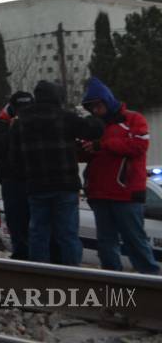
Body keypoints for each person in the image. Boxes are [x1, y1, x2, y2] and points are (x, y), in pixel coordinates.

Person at [9, 80, 104, 265]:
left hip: (36, 187)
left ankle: (41, 277)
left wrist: (27, 175)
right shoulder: (65, 117)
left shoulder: (21, 121)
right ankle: (72, 276)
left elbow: (14, 159)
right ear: (56, 97)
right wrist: (93, 113)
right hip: (65, 186)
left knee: (38, 233)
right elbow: (94, 130)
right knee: (67, 234)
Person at [80, 77, 160, 274]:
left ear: (107, 101)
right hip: (99, 194)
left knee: (135, 241)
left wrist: (102, 145)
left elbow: (139, 145)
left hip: (126, 194)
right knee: (106, 245)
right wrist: (81, 149)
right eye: (91, 107)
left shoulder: (133, 119)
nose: (95, 110)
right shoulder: (93, 126)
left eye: (98, 105)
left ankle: (151, 284)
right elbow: (83, 155)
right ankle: (113, 288)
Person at [0, 91, 35, 259]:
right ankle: (21, 256)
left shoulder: (38, 125)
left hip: (37, 181)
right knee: (16, 224)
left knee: (38, 225)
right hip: (12, 182)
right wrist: (12, 131)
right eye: (20, 110)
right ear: (12, 109)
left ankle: (40, 259)